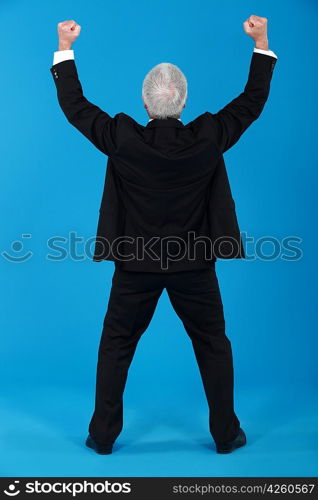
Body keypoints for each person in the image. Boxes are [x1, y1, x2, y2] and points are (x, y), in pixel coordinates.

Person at [50, 15, 277, 454]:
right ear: (184, 100)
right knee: (213, 343)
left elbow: (75, 106)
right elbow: (251, 101)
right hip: (196, 268)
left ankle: (102, 436)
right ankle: (227, 435)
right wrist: (261, 42)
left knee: (116, 344)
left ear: (145, 101)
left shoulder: (120, 136)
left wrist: (65, 46)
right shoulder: (209, 136)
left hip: (134, 269)